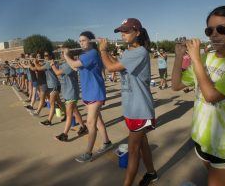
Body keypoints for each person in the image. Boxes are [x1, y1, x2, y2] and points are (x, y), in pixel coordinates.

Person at [171, 6, 225, 186]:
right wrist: (178, 57)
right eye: (210, 30)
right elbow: (176, 85)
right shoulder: (208, 58)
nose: (214, 35)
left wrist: (197, 59)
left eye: (221, 29)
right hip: (203, 138)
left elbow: (211, 95)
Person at [99, 18, 157, 186]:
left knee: (133, 151)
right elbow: (116, 64)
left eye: (126, 31)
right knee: (143, 144)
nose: (123, 34)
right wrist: (107, 52)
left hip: (140, 109)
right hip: (131, 108)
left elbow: (110, 68)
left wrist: (102, 51)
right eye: (121, 32)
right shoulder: (128, 52)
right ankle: (152, 173)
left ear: (137, 32)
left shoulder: (140, 52)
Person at [63, 31, 112, 163]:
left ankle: (88, 153)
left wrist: (65, 54)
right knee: (98, 121)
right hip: (88, 93)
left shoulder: (93, 53)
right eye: (80, 41)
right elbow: (74, 68)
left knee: (90, 122)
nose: (81, 43)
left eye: (84, 40)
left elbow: (73, 65)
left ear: (91, 41)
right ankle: (107, 142)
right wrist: (69, 57)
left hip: (95, 92)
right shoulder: (85, 55)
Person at [50, 51, 88, 141]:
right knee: (75, 111)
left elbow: (57, 73)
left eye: (62, 53)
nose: (60, 55)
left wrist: (52, 65)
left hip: (71, 92)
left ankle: (65, 134)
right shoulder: (64, 64)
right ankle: (83, 127)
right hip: (67, 91)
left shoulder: (68, 65)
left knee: (69, 114)